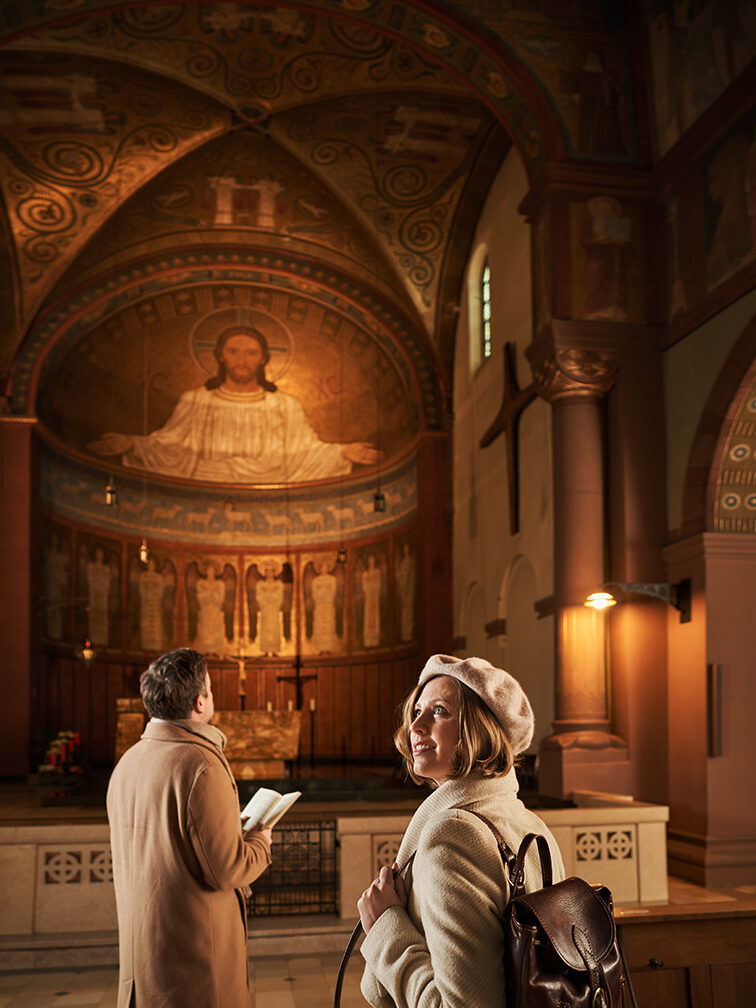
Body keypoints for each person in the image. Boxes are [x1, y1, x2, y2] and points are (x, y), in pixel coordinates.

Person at [357, 653, 565, 1007]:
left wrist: (385, 927)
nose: (416, 726)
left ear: (479, 730)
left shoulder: (452, 836)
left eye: (439, 711)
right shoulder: (531, 823)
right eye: (416, 711)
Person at [107, 648, 272, 1007]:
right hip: (194, 971)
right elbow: (228, 870)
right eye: (210, 690)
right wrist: (260, 840)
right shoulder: (200, 764)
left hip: (144, 967)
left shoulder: (127, 762)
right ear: (199, 702)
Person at [89, 325, 381, 482]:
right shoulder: (196, 400)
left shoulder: (285, 405)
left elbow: (305, 452)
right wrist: (132, 444)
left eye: (251, 353)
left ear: (263, 359)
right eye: (234, 351)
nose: (243, 360)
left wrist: (344, 452)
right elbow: (170, 446)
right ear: (220, 356)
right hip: (203, 487)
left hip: (268, 487)